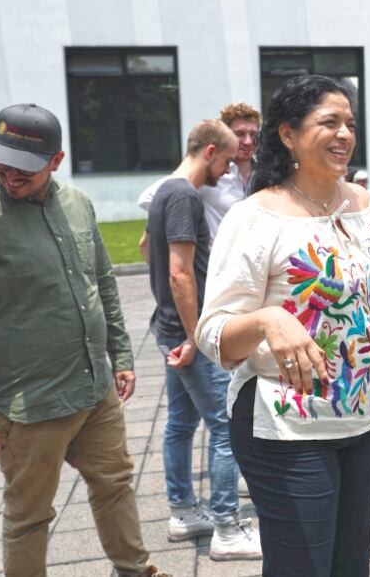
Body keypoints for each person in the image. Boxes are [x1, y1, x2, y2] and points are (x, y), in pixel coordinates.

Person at [0, 104, 168, 577]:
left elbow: (102, 282)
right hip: (27, 404)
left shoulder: (77, 203)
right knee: (29, 518)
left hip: (93, 388)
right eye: (1, 162)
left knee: (116, 485)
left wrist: (119, 353)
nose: (10, 175)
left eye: (25, 167)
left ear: (56, 161)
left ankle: (137, 571)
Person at [195, 75, 370, 576]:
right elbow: (212, 332)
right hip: (287, 427)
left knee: (350, 565)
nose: (344, 134)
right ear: (289, 135)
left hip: (364, 417)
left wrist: (369, 327)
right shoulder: (255, 219)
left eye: (350, 125)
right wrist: (269, 319)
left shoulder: (367, 206)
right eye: (329, 122)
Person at [146, 120, 260, 560]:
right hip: (187, 335)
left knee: (181, 423)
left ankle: (183, 512)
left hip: (169, 330)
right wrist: (196, 337)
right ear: (210, 151)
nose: (228, 169)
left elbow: (147, 251)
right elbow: (179, 273)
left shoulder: (163, 191)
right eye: (228, 160)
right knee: (225, 429)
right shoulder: (184, 196)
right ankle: (227, 529)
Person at [137, 102, 261, 255]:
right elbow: (148, 198)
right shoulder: (212, 174)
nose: (248, 141)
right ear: (227, 135)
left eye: (253, 134)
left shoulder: (264, 175)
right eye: (240, 134)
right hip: (215, 269)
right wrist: (198, 239)